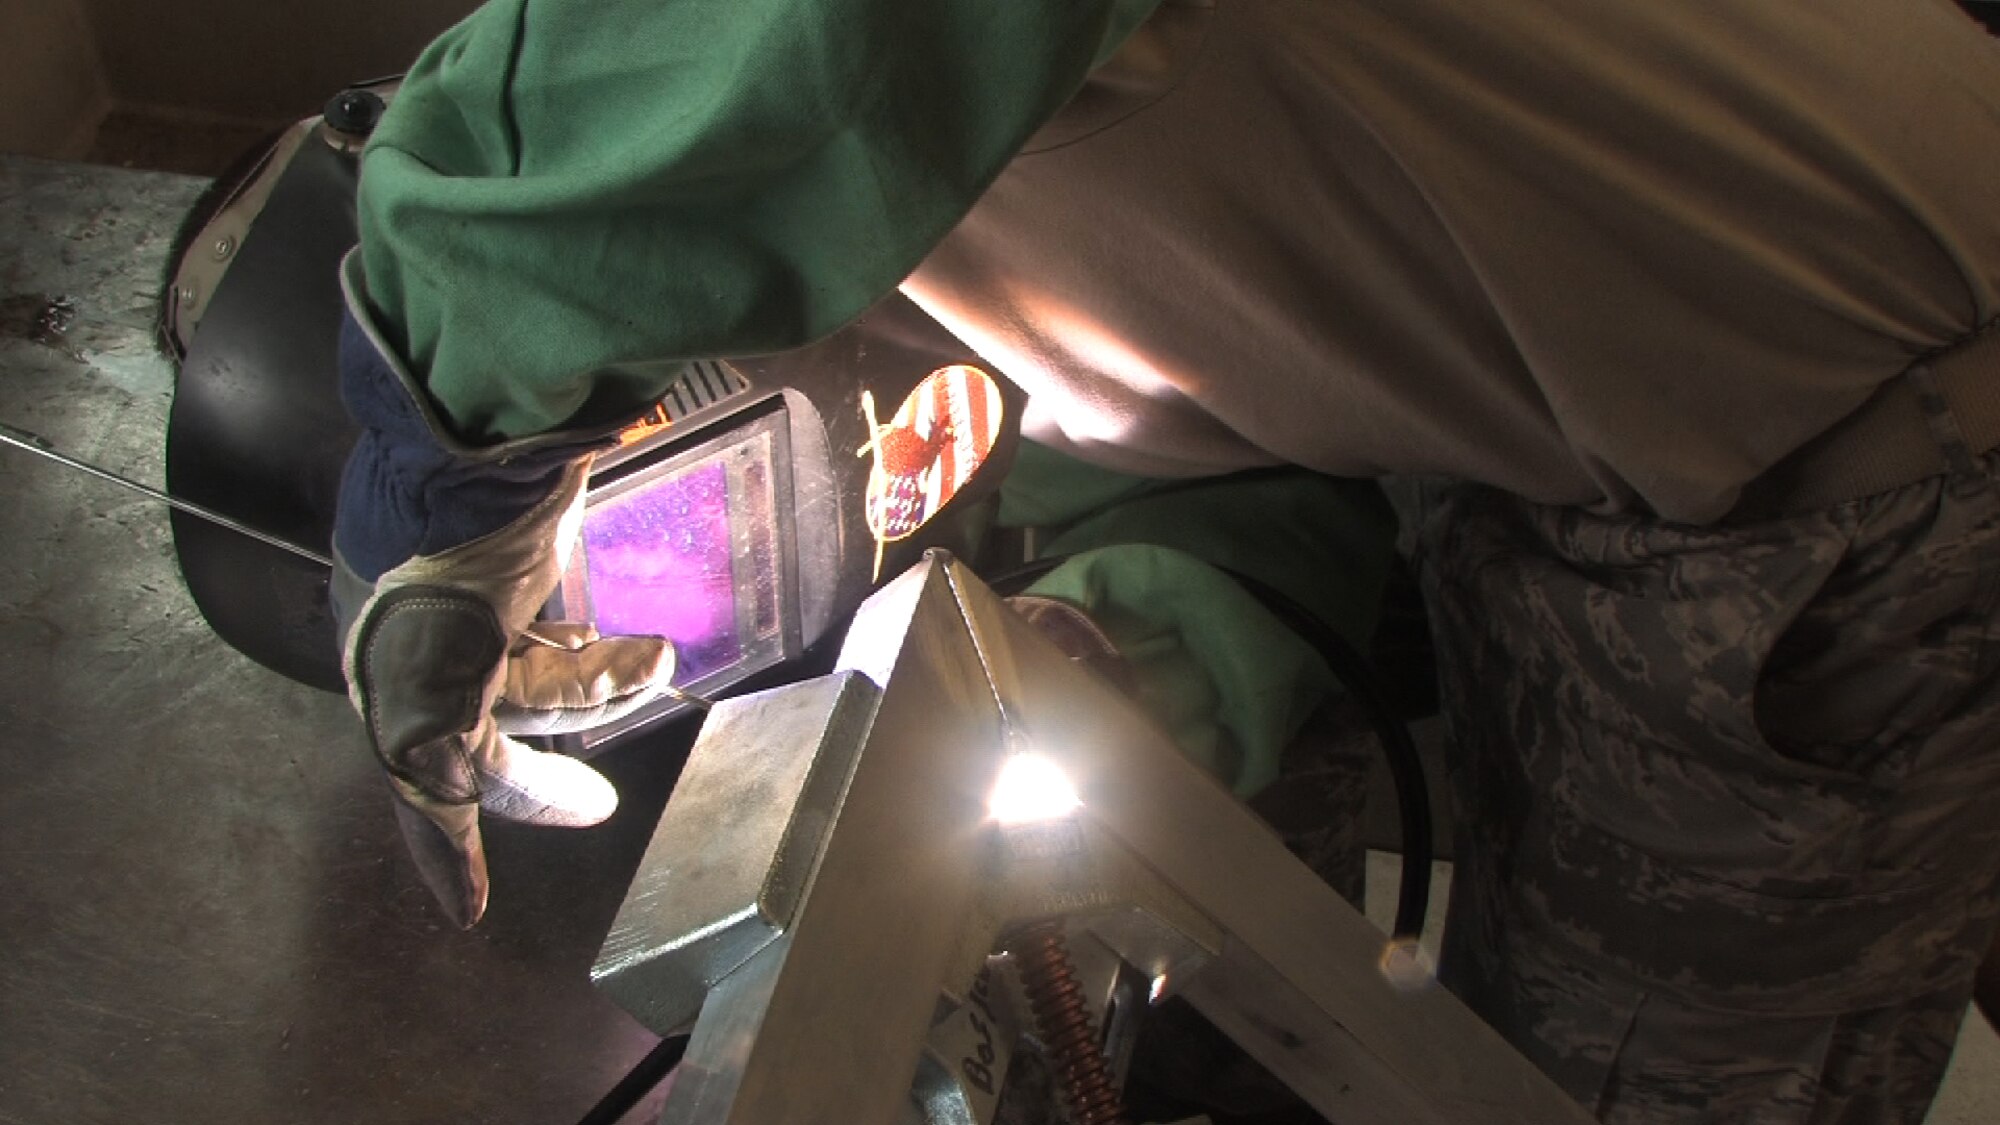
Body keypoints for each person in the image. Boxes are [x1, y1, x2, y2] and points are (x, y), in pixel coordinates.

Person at [328, 1, 2000, 1121]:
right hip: (1619, 388)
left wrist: (433, 464)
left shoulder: (836, 68)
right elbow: (1257, 416)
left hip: (1845, 461)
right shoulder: (979, 149)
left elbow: (799, 51)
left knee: (1617, 1080)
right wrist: (1119, 638)